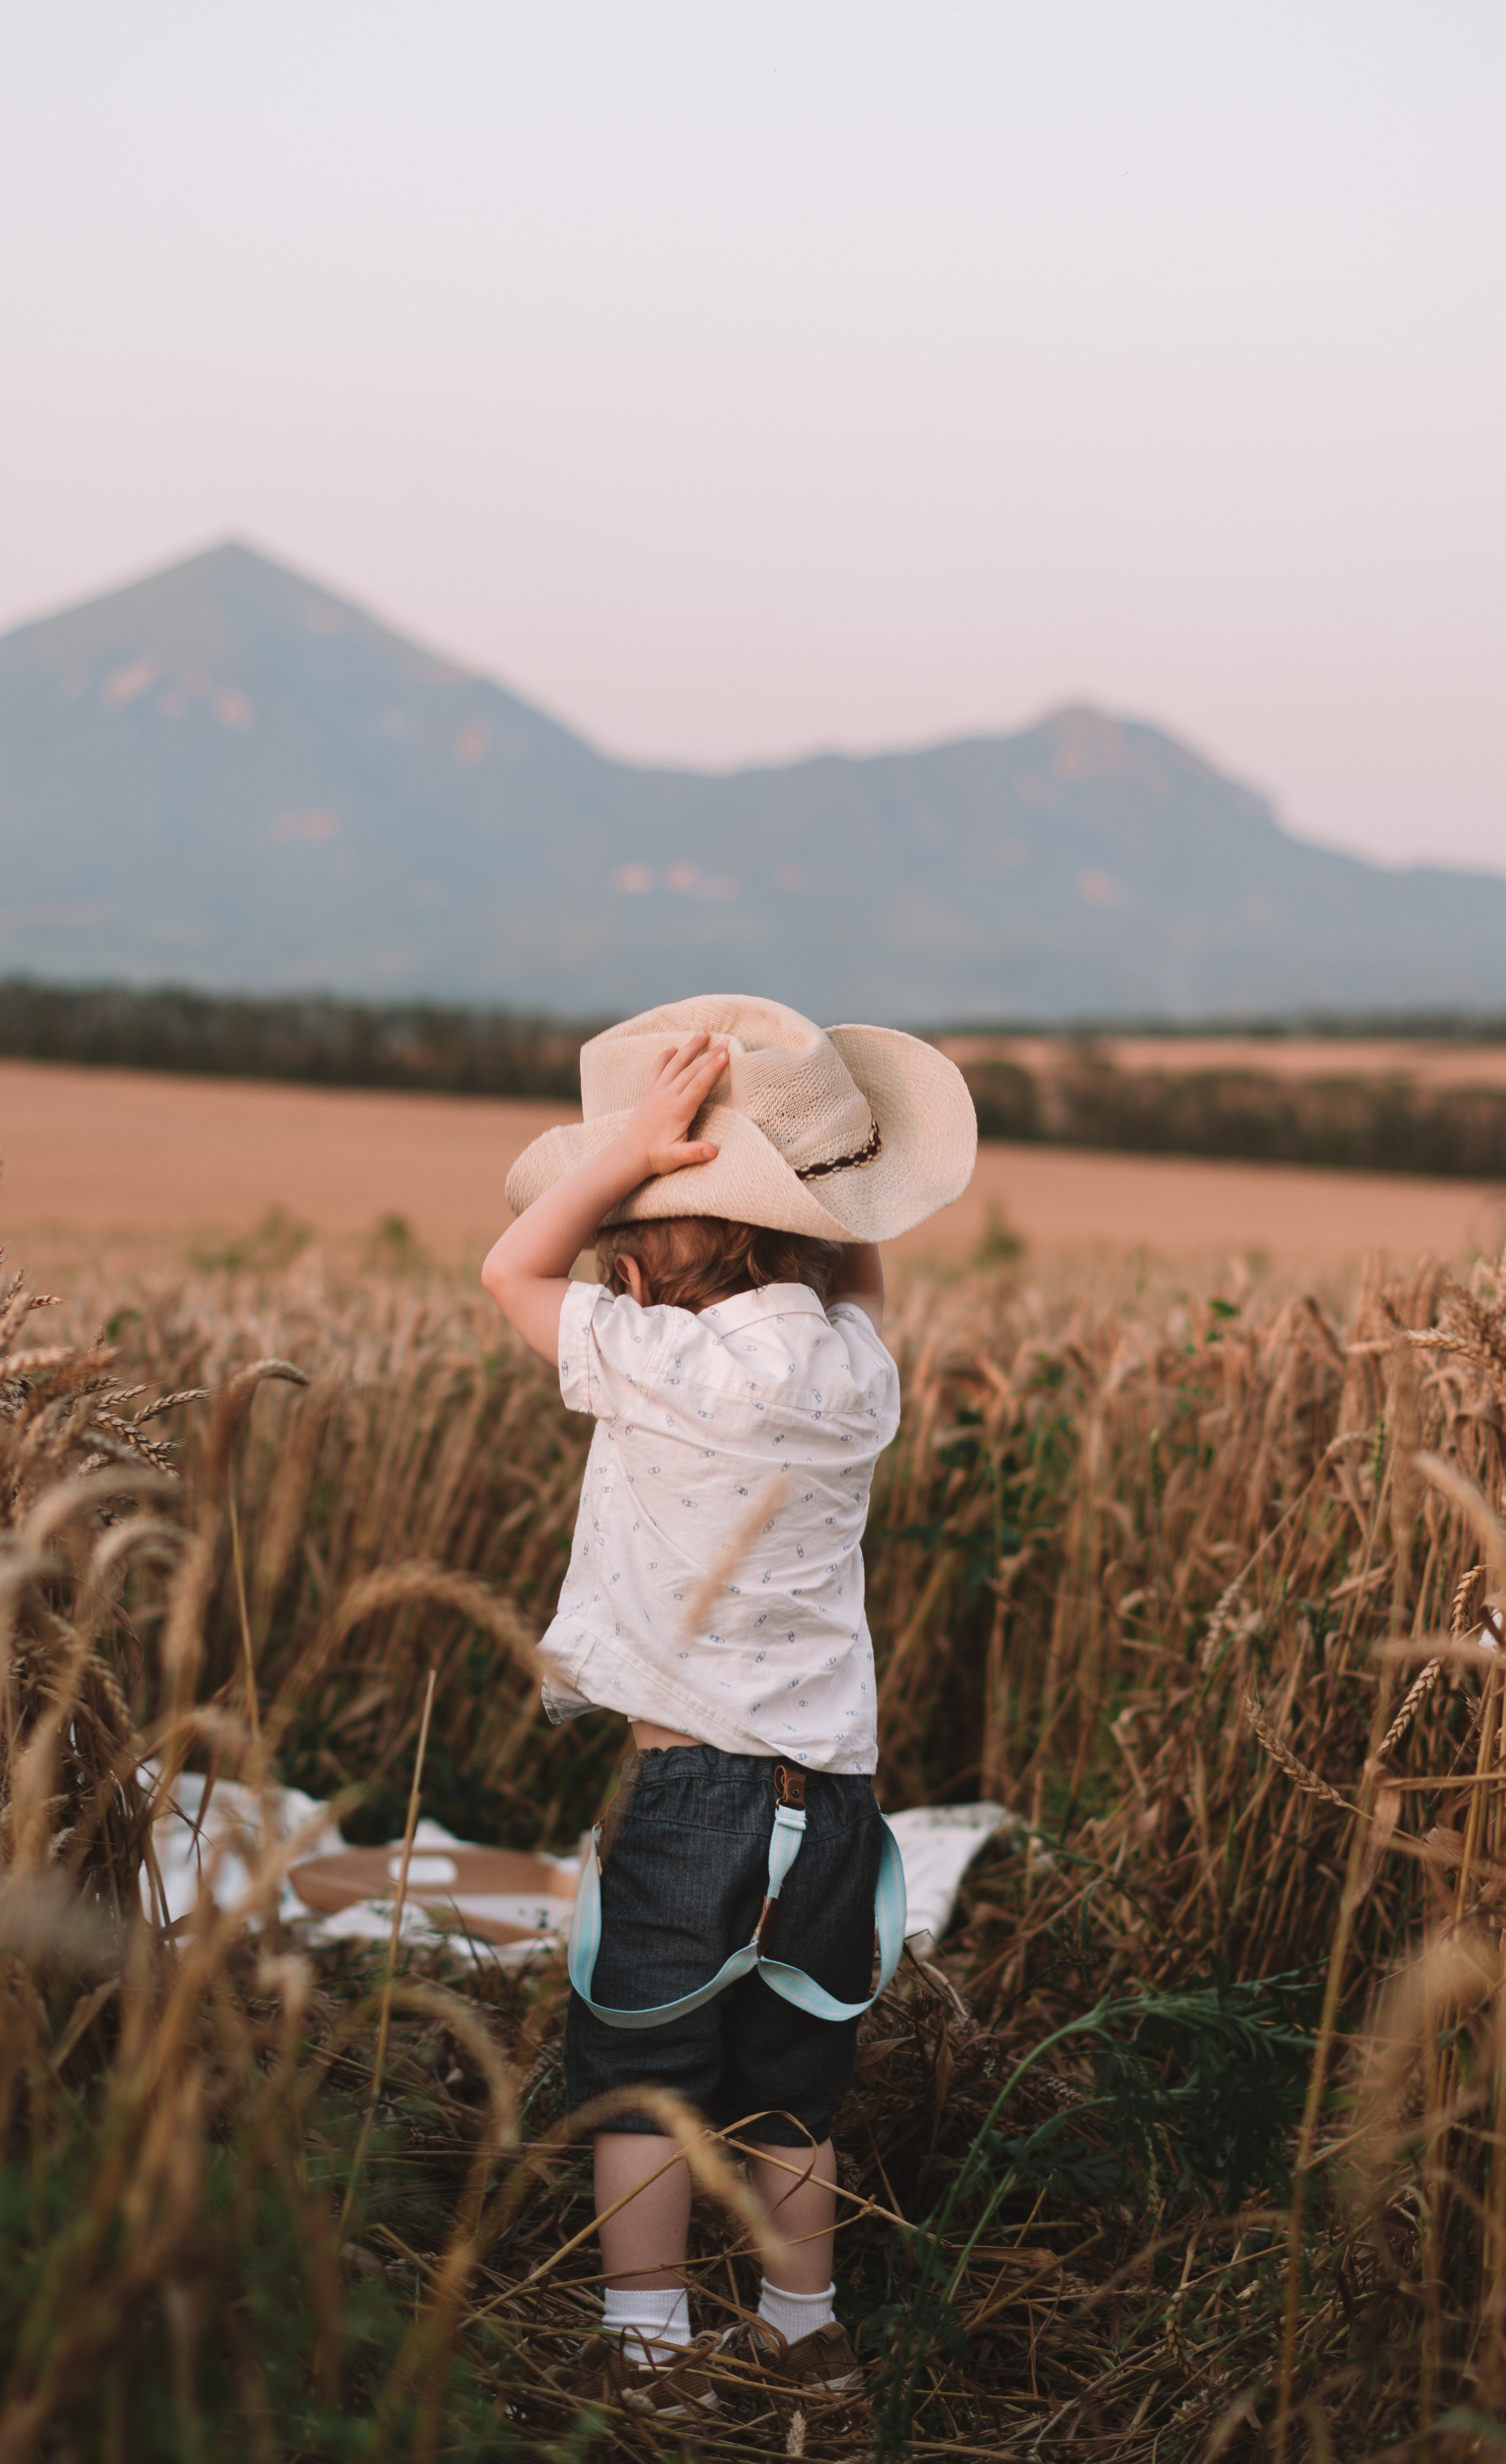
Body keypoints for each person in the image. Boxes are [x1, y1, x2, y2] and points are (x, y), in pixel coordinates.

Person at [481, 993, 976, 2422]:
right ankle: (802, 2328)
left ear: (647, 1245)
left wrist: (628, 1149)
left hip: (690, 1795)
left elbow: (510, 1267)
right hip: (831, 1804)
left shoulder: (664, 1364)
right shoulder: (851, 1370)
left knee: (640, 2072)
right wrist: (832, 1196)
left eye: (630, 1214)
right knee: (791, 2084)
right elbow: (862, 1287)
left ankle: (647, 2344)